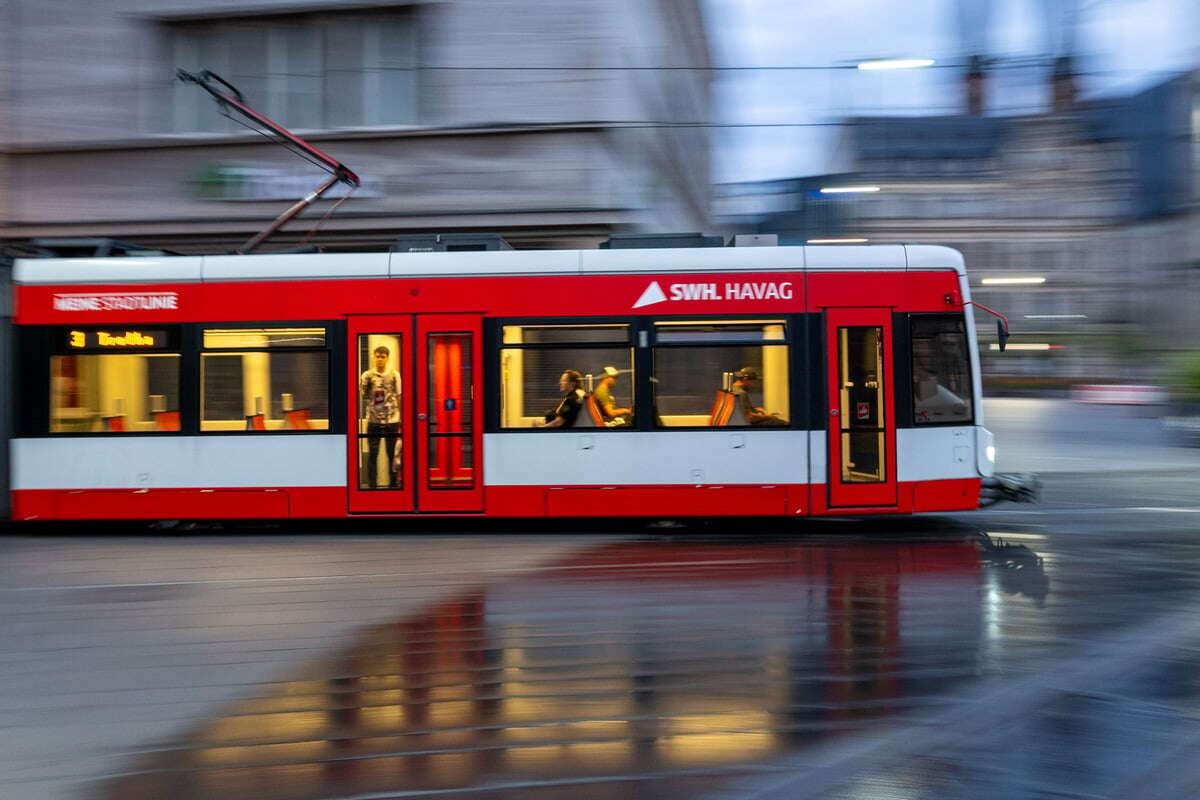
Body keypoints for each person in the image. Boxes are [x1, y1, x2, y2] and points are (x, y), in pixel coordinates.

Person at [359, 345, 402, 488]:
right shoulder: (367, 376)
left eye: (382, 357)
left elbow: (399, 396)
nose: (380, 359)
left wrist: (401, 419)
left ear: (387, 358)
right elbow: (362, 395)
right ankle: (372, 486)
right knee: (373, 455)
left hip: (392, 420)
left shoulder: (395, 375)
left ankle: (393, 485)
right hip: (373, 420)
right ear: (373, 357)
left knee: (392, 454)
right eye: (377, 356)